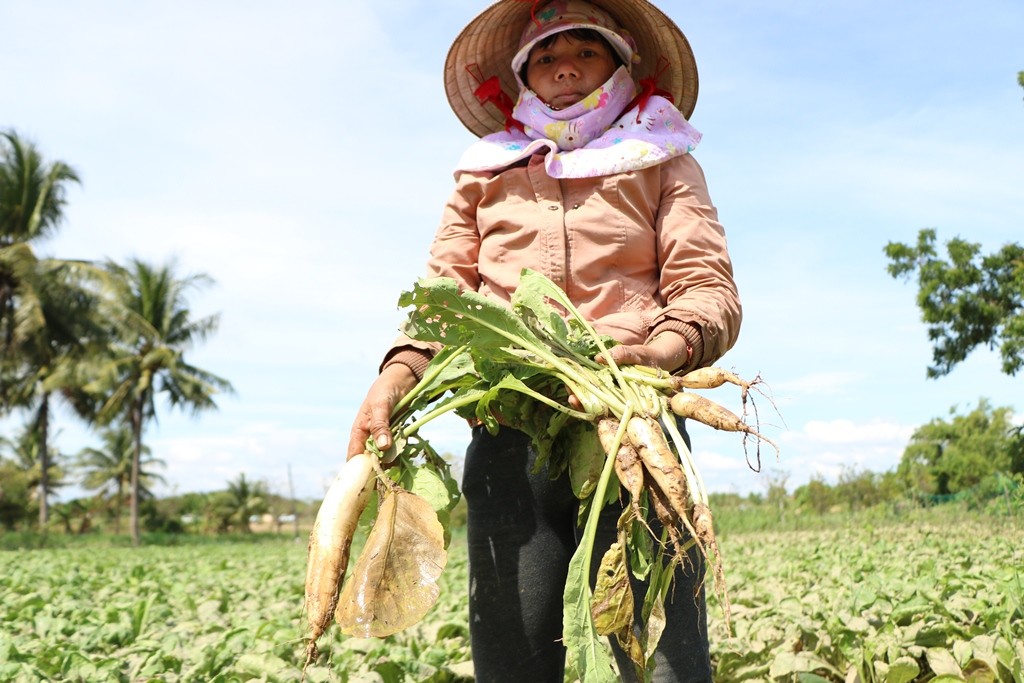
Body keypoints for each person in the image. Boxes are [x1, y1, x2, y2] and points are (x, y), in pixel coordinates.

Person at [347, 0, 741, 681]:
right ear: (525, 76)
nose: (566, 68)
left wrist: (665, 347)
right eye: (547, 57)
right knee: (512, 653)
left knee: (668, 658)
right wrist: (397, 372)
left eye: (585, 53)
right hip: (509, 426)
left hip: (630, 426)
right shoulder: (485, 171)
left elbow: (708, 288)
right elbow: (443, 297)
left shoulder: (662, 159)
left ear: (621, 65)